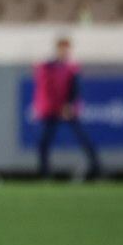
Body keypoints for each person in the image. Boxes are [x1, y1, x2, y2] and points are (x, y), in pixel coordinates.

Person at [34, 36, 100, 181]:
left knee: (84, 139)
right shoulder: (47, 67)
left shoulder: (72, 68)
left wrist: (69, 105)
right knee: (44, 142)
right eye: (61, 48)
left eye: (66, 49)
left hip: (68, 110)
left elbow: (74, 89)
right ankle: (44, 174)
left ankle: (97, 170)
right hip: (52, 110)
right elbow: (44, 88)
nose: (64, 52)